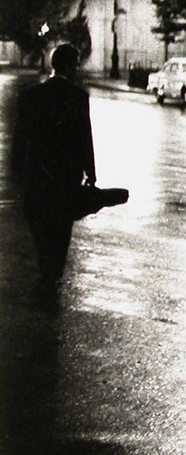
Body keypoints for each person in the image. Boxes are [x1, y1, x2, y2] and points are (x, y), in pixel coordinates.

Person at [11, 44, 96, 292]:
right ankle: (54, 270)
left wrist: (17, 171)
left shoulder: (30, 96)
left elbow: (20, 138)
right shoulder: (78, 97)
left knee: (40, 222)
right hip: (66, 175)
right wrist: (90, 171)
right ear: (70, 66)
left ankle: (44, 266)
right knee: (61, 224)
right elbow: (84, 137)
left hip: (37, 173)